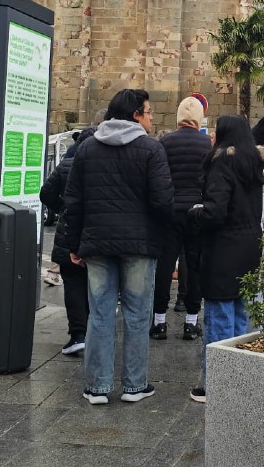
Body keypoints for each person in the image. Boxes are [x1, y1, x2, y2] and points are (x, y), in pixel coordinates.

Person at [61, 89, 173, 405]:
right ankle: (134, 386)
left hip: (96, 242)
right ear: (136, 114)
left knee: (99, 312)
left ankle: (97, 386)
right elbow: (163, 202)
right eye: (149, 111)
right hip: (139, 244)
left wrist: (74, 243)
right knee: (138, 314)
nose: (152, 117)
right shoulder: (152, 150)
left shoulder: (87, 149)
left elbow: (73, 201)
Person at [186, 114, 264, 404]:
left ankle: (216, 386)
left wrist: (195, 212)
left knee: (219, 317)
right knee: (239, 315)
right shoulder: (253, 164)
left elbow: (215, 211)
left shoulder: (221, 163)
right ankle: (238, 380)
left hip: (223, 250)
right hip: (248, 247)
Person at [154, 97, 211, 342]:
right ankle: (190, 322)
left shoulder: (164, 142)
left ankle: (159, 322)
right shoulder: (207, 144)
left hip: (170, 212)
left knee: (165, 266)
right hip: (197, 213)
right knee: (195, 266)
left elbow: (160, 178)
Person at [40, 125, 97, 356]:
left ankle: (78, 335)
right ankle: (94, 332)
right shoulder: (101, 166)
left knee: (73, 284)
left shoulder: (65, 167)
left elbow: (46, 194)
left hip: (69, 232)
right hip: (96, 233)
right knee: (96, 285)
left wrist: (61, 208)